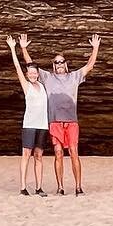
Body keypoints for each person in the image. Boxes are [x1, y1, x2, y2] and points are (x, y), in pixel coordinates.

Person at [19, 32, 100, 195]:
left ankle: (78, 187)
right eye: (56, 62)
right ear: (53, 65)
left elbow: (90, 65)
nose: (59, 64)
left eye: (62, 61)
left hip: (71, 122)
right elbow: (31, 67)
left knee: (74, 152)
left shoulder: (74, 76)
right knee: (58, 154)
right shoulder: (48, 78)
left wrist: (95, 48)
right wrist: (23, 49)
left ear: (66, 64)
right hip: (55, 122)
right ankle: (61, 187)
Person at [7, 35, 50, 196]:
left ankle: (39, 187)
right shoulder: (27, 86)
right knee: (26, 154)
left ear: (37, 74)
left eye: (34, 72)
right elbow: (18, 67)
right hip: (30, 125)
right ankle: (23, 187)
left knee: (38, 155)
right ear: (27, 75)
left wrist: (25, 49)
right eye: (29, 73)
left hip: (42, 125)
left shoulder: (43, 86)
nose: (32, 74)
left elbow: (32, 64)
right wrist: (14, 48)